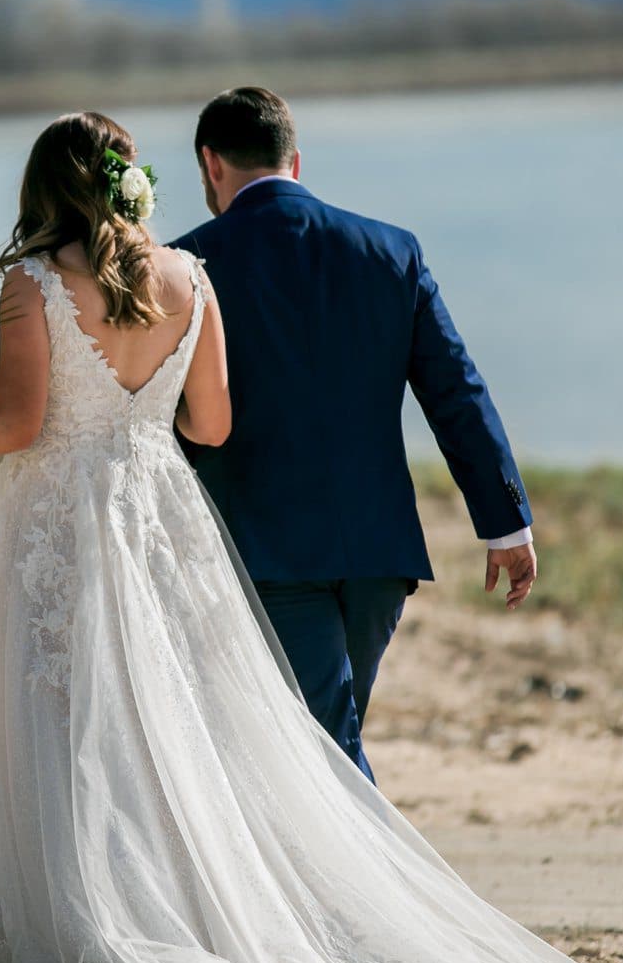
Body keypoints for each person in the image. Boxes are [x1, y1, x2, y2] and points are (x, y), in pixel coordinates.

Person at [0, 111, 623, 963]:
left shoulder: (33, 282)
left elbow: (22, 423)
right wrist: (136, 420)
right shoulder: (194, 278)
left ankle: (120, 928)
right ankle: (225, 914)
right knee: (189, 731)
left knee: (75, 716)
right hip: (180, 523)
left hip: (72, 517)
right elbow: (217, 422)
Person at [172, 86, 534, 779]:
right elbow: (456, 390)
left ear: (211, 165)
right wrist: (505, 522)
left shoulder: (187, 266)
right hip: (378, 554)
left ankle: (369, 891)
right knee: (321, 748)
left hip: (265, 549)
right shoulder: (392, 252)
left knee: (322, 757)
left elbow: (167, 414)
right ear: (295, 161)